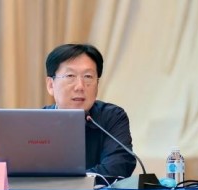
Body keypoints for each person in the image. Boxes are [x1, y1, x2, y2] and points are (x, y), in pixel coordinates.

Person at [44, 43, 136, 179]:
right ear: (51, 85)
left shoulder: (112, 117)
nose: (80, 86)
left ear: (97, 84)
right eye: (70, 76)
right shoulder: (36, 122)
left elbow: (118, 166)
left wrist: (66, 181)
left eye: (88, 76)